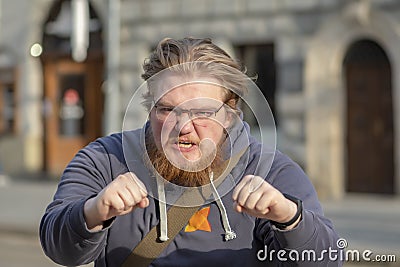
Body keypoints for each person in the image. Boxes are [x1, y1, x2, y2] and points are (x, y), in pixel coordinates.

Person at [40, 37, 342, 267]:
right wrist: (94, 212)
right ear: (149, 107)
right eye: (167, 109)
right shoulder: (106, 159)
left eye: (202, 112)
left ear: (229, 115)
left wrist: (289, 218)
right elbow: (59, 247)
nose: (182, 126)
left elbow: (328, 259)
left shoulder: (270, 170)